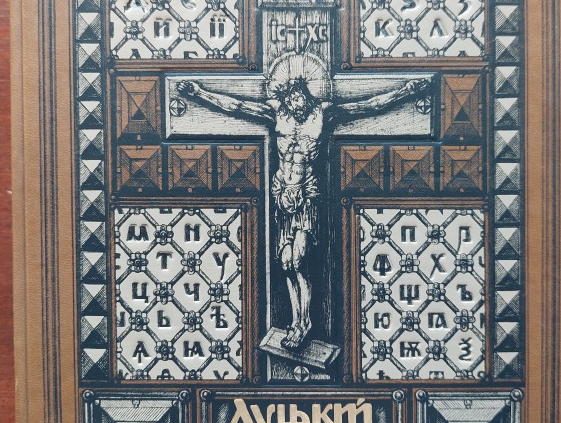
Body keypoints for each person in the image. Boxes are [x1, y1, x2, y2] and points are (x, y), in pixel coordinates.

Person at [177, 71, 430, 349]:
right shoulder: (277, 113)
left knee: (299, 260)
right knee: (286, 263)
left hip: (306, 196)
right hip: (282, 196)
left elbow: (369, 105)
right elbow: (236, 106)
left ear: (305, 96)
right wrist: (198, 92)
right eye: (290, 99)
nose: (295, 103)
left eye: (298, 98)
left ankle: (305, 322)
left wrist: (407, 91)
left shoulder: (323, 113)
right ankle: (296, 321)